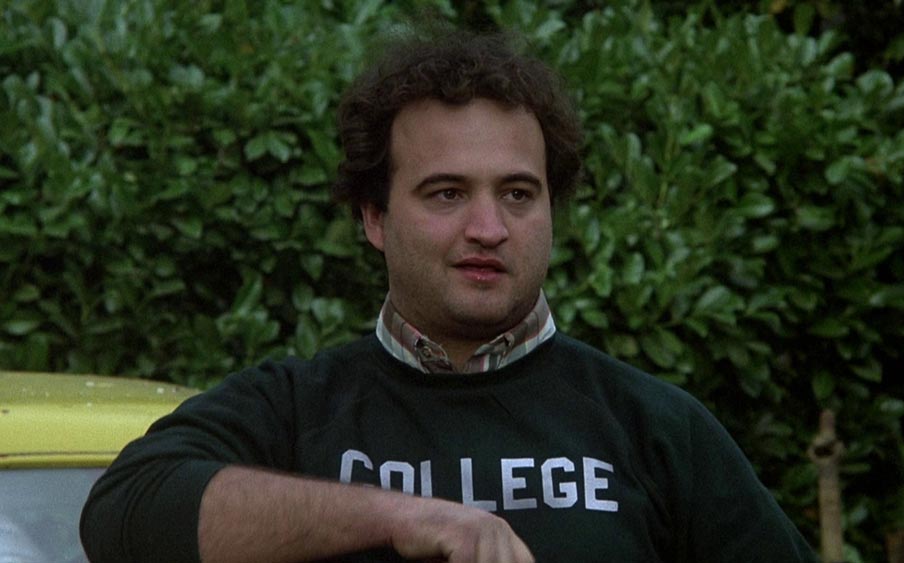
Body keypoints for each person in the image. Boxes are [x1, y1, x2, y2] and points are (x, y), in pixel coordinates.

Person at [80, 28, 817, 563]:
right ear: (374, 216)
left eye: (518, 194)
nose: (488, 228)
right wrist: (404, 518)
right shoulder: (294, 411)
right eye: (446, 193)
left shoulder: (656, 427)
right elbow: (125, 513)